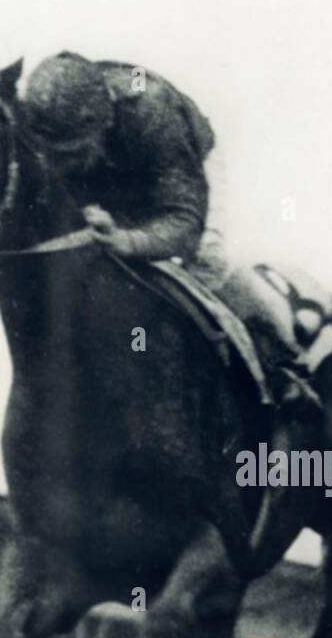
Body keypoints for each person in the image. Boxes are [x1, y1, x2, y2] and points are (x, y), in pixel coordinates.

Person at [21, 52, 309, 402]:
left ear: (103, 123)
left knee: (206, 267)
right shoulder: (49, 119)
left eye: (69, 154)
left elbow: (185, 224)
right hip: (116, 171)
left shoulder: (152, 110)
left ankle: (280, 361)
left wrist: (128, 240)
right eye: (52, 154)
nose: (60, 166)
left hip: (181, 176)